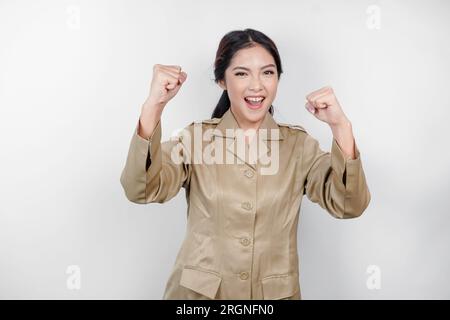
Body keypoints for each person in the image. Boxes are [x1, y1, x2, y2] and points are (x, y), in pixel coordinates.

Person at [120, 28, 371, 300]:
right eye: (241, 73)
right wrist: (153, 107)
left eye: (267, 72)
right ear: (222, 81)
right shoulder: (194, 139)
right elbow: (141, 189)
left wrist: (341, 127)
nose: (256, 85)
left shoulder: (298, 146)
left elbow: (349, 205)